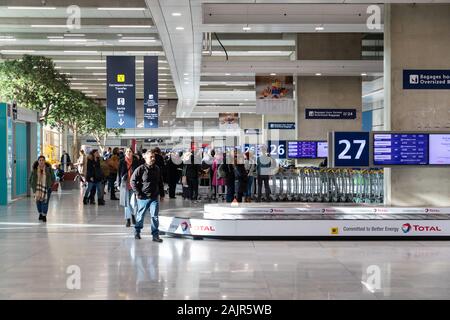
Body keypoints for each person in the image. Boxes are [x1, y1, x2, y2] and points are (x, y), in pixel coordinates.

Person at [130, 150, 165, 242]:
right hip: (143, 197)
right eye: (151, 157)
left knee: (155, 216)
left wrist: (162, 194)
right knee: (140, 216)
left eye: (154, 157)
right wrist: (138, 193)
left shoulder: (157, 168)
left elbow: (160, 182)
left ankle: (155, 235)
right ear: (145, 158)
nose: (153, 158)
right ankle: (137, 231)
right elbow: (132, 181)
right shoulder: (140, 169)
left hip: (154, 197)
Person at [118, 148, 140, 227]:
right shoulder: (122, 161)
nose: (128, 152)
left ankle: (133, 216)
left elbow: (139, 173)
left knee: (133, 203)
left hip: (134, 184)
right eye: (127, 151)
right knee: (126, 203)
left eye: (130, 151)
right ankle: (128, 219)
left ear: (132, 153)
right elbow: (119, 173)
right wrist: (118, 183)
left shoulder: (136, 161)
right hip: (125, 184)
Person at [29, 156, 55, 222]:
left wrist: (50, 185)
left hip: (47, 189)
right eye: (40, 160)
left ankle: (44, 215)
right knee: (38, 202)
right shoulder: (34, 170)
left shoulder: (49, 169)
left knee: (45, 202)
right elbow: (30, 179)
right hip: (37, 189)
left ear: (44, 161)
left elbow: (53, 178)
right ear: (38, 161)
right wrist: (32, 186)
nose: (41, 161)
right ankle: (40, 213)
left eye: (43, 160)